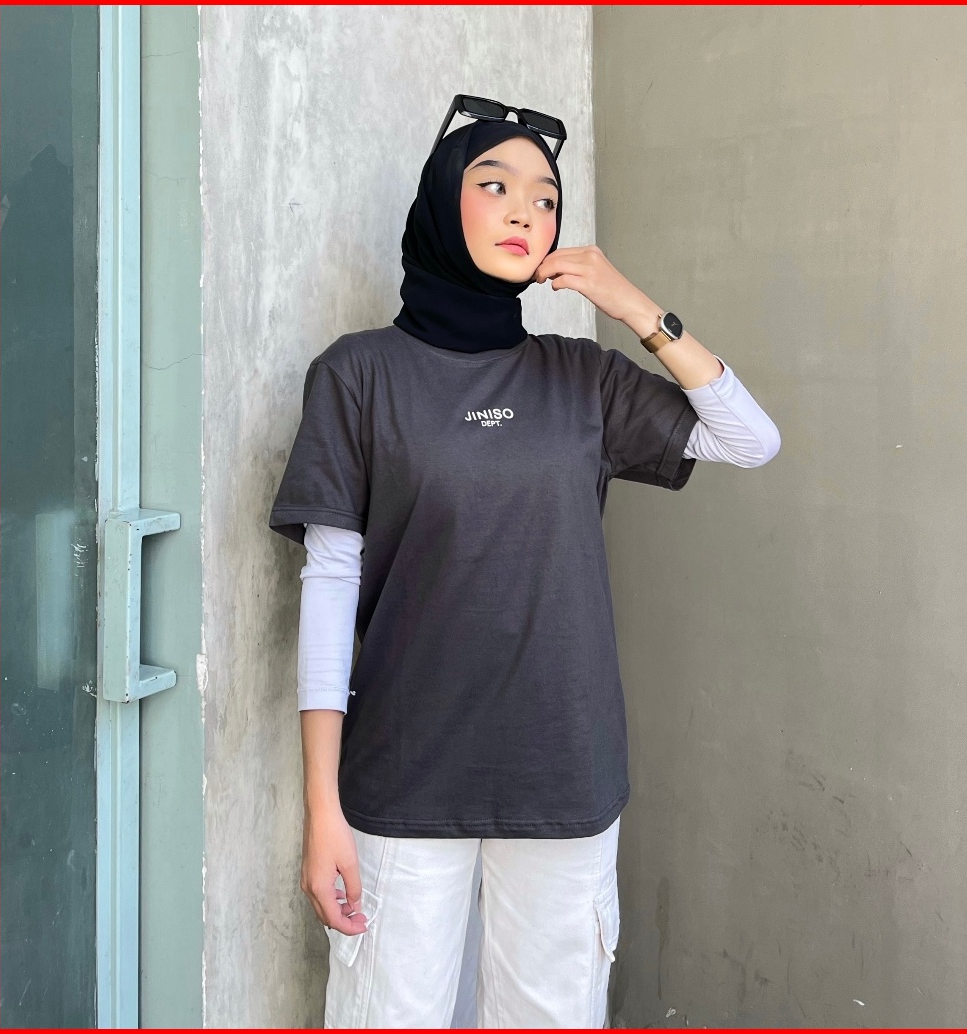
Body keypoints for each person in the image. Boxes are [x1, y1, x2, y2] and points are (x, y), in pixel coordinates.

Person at [268, 100, 780, 1029]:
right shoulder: (358, 374)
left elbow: (751, 440)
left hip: (563, 772)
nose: (524, 212)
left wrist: (634, 308)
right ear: (440, 204)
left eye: (545, 199)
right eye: (494, 185)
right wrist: (322, 806)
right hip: (403, 775)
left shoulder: (581, 375)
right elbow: (331, 588)